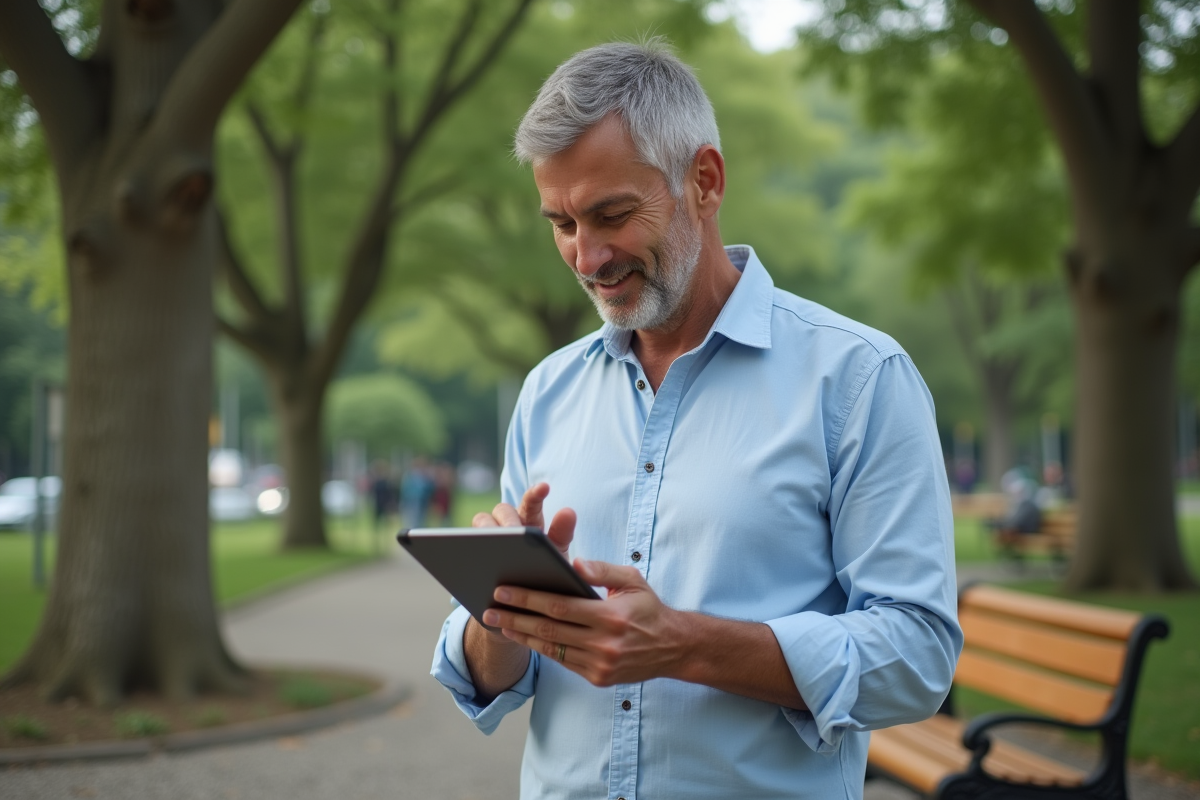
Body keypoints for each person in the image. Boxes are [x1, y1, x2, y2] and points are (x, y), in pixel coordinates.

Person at [430, 40, 961, 799]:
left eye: (612, 214)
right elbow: (496, 678)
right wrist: (501, 612)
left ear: (704, 181)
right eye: (562, 223)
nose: (587, 257)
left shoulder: (858, 379)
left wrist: (682, 645)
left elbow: (917, 661)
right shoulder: (548, 390)